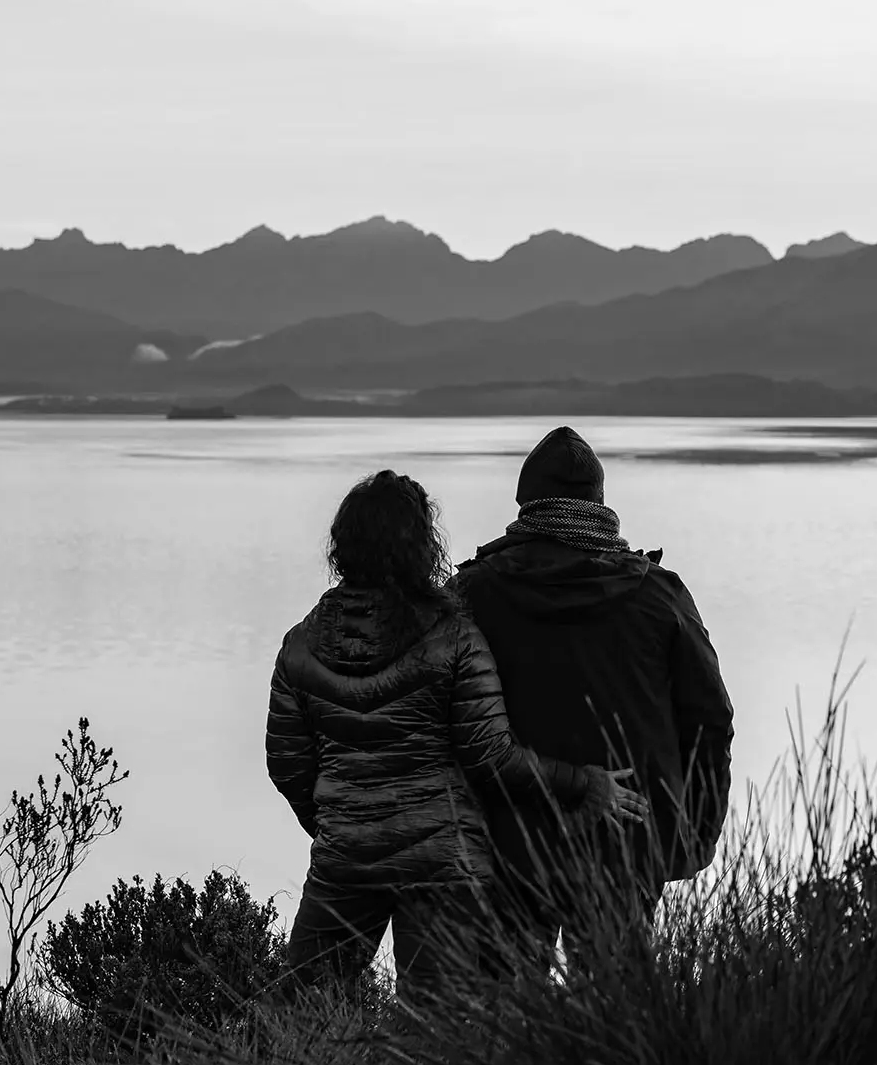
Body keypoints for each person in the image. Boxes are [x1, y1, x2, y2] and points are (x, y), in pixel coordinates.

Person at [266, 469, 647, 1000]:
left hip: (346, 859)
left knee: (300, 1011)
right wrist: (584, 783)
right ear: (421, 546)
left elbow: (287, 763)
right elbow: (490, 756)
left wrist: (345, 822)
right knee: (435, 1037)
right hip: (443, 867)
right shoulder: (455, 637)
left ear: (343, 546)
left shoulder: (299, 645)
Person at [450, 426, 735, 969]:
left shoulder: (473, 593)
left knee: (506, 1019)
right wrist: (692, 832)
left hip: (508, 844)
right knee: (617, 1018)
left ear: (524, 503)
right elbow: (710, 720)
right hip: (628, 844)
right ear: (600, 503)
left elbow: (441, 715)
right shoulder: (659, 595)